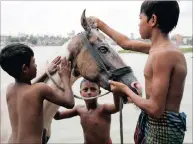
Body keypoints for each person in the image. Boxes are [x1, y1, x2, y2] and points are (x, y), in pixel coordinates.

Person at [88, 1, 187, 143]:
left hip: (162, 130)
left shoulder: (164, 54)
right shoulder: (158, 48)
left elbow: (155, 109)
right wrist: (99, 23)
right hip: (155, 125)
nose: (138, 23)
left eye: (140, 18)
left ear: (152, 20)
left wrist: (125, 90)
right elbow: (126, 43)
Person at [0, 43, 75, 143]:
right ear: (24, 68)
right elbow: (70, 103)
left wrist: (46, 73)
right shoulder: (40, 89)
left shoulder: (10, 89)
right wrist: (66, 78)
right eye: (33, 62)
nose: (36, 65)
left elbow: (29, 88)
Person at [54, 79, 122, 144]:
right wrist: (50, 100)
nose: (89, 92)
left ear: (99, 92)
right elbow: (58, 116)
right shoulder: (79, 109)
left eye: (93, 89)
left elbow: (118, 107)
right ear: (80, 93)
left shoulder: (104, 109)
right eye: (85, 90)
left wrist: (115, 92)